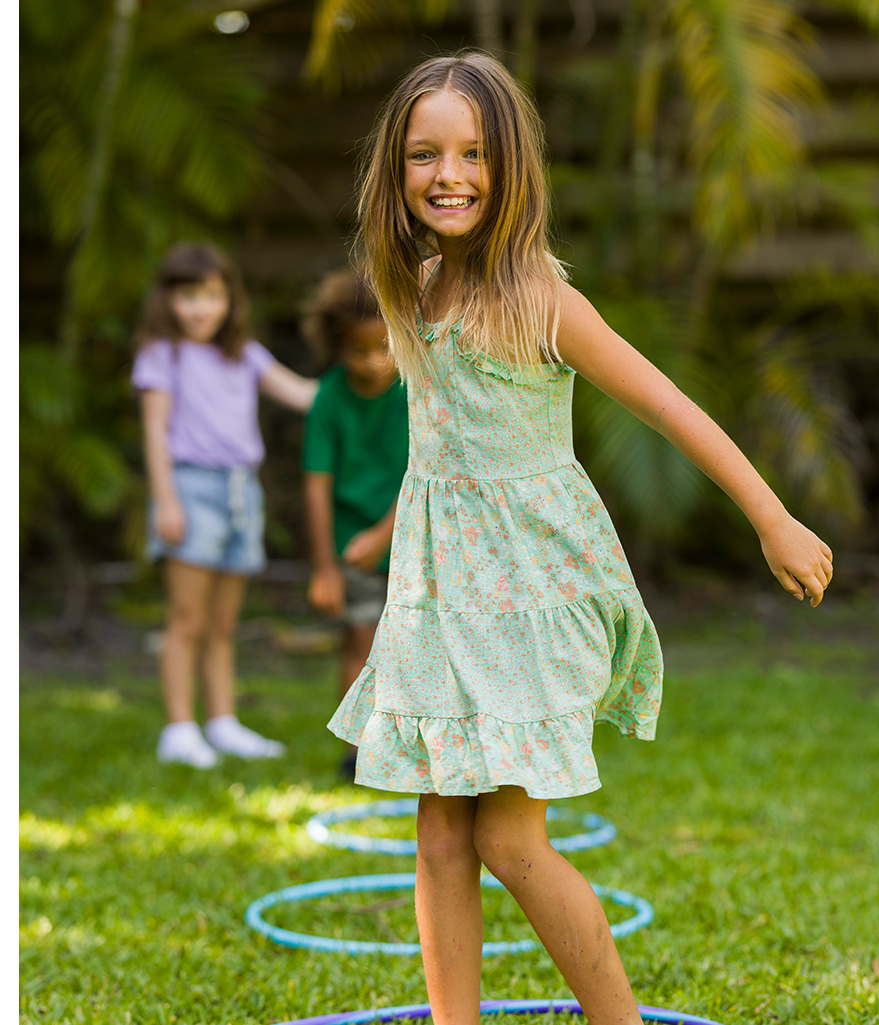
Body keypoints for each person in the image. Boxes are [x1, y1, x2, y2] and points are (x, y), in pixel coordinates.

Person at [327, 51, 834, 1023]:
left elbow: (669, 405)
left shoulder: (541, 301)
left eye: (473, 153)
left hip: (528, 594)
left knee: (511, 841)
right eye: (425, 154)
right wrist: (390, 528)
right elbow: (447, 446)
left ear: (509, 167)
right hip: (439, 600)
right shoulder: (412, 288)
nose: (449, 175)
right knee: (438, 834)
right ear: (394, 170)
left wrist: (771, 516)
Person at [132, 241, 318, 769]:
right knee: (186, 619)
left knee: (221, 624)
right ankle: (179, 729)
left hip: (242, 493)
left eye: (212, 295)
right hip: (190, 491)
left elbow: (305, 395)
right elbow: (154, 432)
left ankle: (222, 722)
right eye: (188, 295)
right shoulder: (161, 355)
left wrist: (366, 378)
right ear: (167, 299)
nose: (200, 308)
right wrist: (166, 501)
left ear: (230, 300)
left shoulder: (244, 353)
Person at [299, 270, 408, 780]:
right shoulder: (328, 398)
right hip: (352, 548)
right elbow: (316, 484)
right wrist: (324, 566)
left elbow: (427, 469)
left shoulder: (416, 391)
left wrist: (385, 534)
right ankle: (357, 749)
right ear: (336, 347)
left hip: (415, 543)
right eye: (358, 351)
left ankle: (416, 747)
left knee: (419, 648)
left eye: (384, 348)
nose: (373, 362)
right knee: (359, 642)